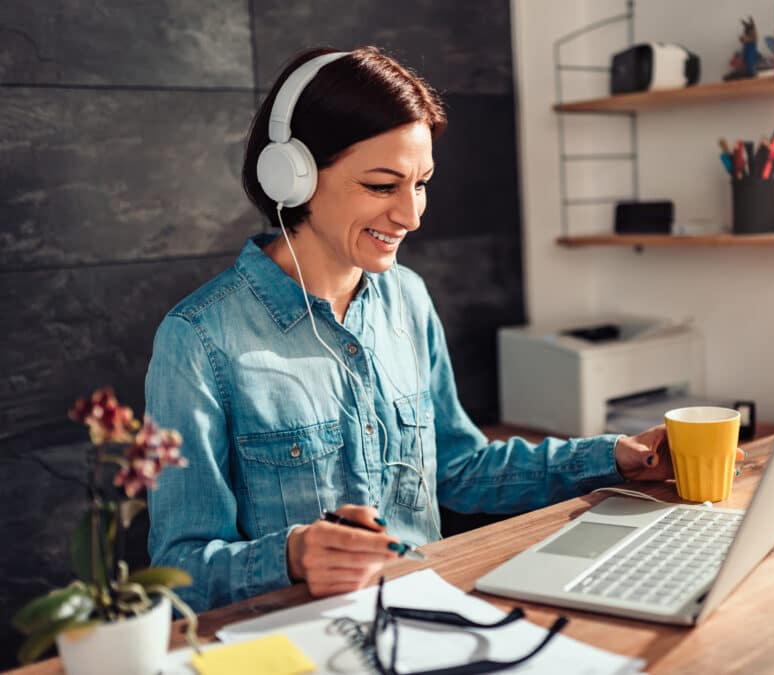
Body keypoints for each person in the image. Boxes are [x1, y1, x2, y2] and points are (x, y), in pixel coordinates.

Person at [145, 46, 674, 614]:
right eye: (381, 185)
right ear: (291, 177)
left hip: (431, 611)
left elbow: (457, 469)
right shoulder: (199, 340)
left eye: (420, 183)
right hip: (302, 636)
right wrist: (292, 557)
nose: (412, 214)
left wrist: (615, 458)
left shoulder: (407, 298)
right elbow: (177, 573)